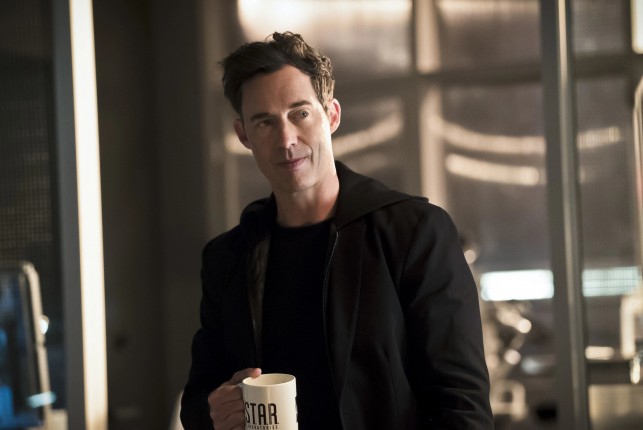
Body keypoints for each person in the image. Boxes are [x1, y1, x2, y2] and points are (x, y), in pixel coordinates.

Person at [180, 31, 493, 429]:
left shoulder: (415, 233)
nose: (286, 139)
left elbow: (463, 409)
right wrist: (214, 412)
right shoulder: (228, 258)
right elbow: (197, 402)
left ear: (331, 115)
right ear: (244, 135)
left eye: (300, 114)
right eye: (265, 122)